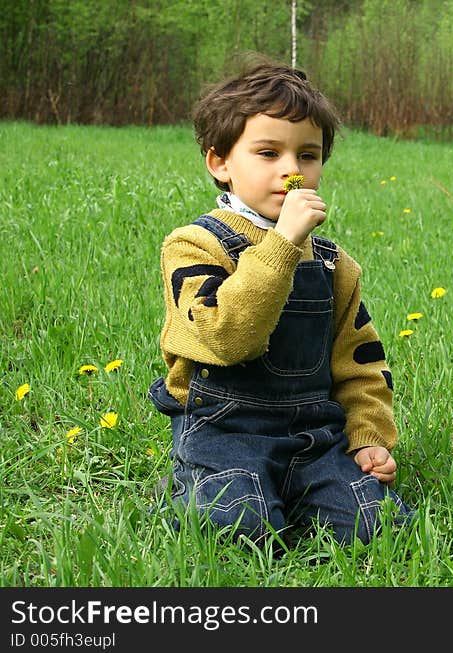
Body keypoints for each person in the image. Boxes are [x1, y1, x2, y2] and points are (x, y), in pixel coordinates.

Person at [148, 55, 413, 548]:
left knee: (376, 526)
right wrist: (281, 246)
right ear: (220, 163)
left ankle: (299, 488)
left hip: (313, 436)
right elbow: (224, 339)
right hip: (225, 431)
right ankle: (192, 482)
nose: (293, 172)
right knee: (238, 528)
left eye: (307, 156)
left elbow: (362, 365)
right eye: (268, 153)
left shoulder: (334, 265)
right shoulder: (193, 246)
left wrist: (370, 438)